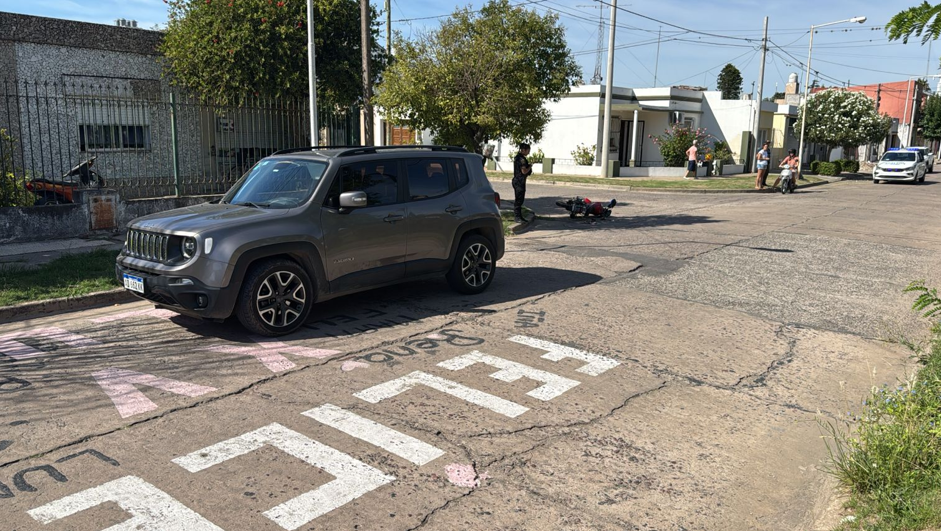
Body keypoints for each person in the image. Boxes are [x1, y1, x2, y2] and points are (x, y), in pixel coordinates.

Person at [513, 143, 533, 222]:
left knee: (520, 199)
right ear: (523, 150)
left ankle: (520, 216)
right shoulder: (522, 159)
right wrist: (530, 166)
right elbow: (524, 171)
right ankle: (517, 217)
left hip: (518, 181)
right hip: (519, 181)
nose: (528, 152)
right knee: (519, 200)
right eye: (528, 150)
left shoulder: (517, 157)